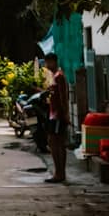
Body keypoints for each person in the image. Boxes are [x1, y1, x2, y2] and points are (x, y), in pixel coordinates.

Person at [41, 49, 69, 183]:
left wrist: (66, 114)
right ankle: (58, 172)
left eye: (47, 62)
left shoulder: (59, 76)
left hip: (58, 115)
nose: (46, 65)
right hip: (53, 114)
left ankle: (60, 173)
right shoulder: (53, 76)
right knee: (53, 142)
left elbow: (64, 97)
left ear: (53, 62)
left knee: (57, 143)